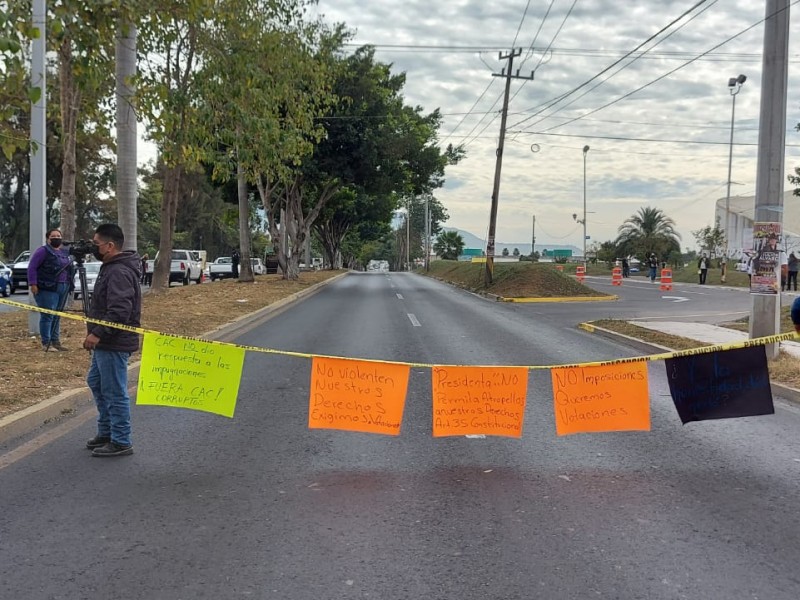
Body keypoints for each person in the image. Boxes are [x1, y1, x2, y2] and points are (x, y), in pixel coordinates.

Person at [83, 224, 142, 457]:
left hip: (113, 341)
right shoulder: (110, 267)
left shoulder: (119, 271)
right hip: (106, 341)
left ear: (110, 246)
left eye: (96, 243)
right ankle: (106, 431)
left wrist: (97, 333)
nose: (93, 247)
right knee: (96, 382)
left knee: (114, 390)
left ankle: (121, 439)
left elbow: (119, 310)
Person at [27, 228, 74, 351]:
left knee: (57, 315)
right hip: (47, 287)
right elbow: (32, 267)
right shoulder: (43, 251)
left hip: (63, 286)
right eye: (53, 236)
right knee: (48, 315)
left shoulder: (64, 252)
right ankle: (46, 343)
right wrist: (33, 283)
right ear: (48, 239)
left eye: (58, 236)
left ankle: (55, 341)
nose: (56, 238)